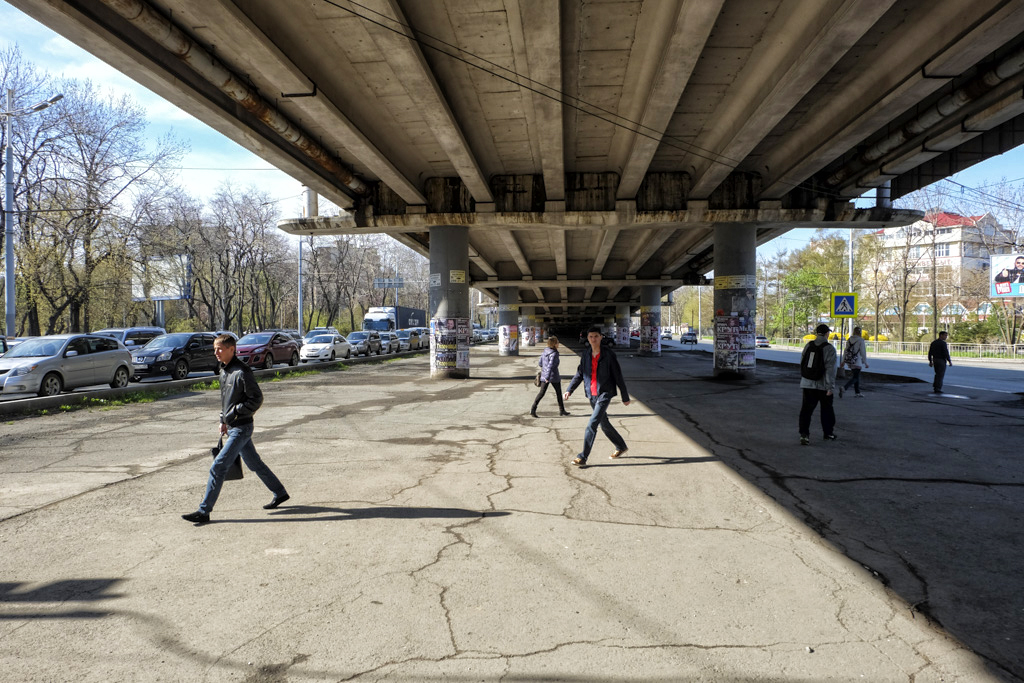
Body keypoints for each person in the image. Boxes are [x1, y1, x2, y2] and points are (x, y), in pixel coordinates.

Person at [182, 333, 289, 524]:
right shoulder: (224, 370)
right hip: (232, 426)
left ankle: (204, 511)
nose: (216, 352)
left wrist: (236, 413)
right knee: (255, 464)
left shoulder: (242, 371)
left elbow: (256, 399)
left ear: (232, 350)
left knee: (218, 467)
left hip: (242, 428)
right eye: (215, 349)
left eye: (220, 349)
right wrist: (223, 419)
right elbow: (226, 399)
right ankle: (280, 493)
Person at [563, 326, 631, 467]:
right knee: (604, 423)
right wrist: (570, 389)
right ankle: (621, 446)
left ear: (601, 337)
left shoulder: (608, 354)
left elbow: (617, 375)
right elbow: (580, 374)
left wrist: (625, 396)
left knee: (592, 424)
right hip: (591, 393)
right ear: (587, 338)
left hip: (605, 393)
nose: (593, 339)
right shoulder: (586, 354)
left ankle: (582, 457)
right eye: (590, 337)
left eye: (596, 336)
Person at [798, 323, 838, 445]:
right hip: (823, 385)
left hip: (807, 383)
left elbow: (802, 362)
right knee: (826, 410)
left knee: (806, 410)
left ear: (816, 333)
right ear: (827, 334)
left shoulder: (808, 345)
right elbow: (830, 369)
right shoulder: (829, 348)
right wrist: (830, 386)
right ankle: (828, 433)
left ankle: (804, 435)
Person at [531, 336, 570, 417]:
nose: (558, 344)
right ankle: (561, 410)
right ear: (554, 344)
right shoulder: (554, 353)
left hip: (544, 374)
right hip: (552, 376)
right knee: (558, 393)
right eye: (557, 342)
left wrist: (545, 374)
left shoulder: (545, 351)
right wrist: (547, 377)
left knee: (541, 393)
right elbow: (551, 366)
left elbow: (540, 363)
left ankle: (533, 409)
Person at [838, 326, 869, 398]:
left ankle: (857, 392)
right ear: (860, 332)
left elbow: (845, 351)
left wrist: (843, 361)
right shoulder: (860, 340)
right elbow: (862, 352)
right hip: (857, 360)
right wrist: (865, 362)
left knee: (856, 376)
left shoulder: (849, 339)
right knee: (855, 377)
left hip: (850, 361)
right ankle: (844, 388)